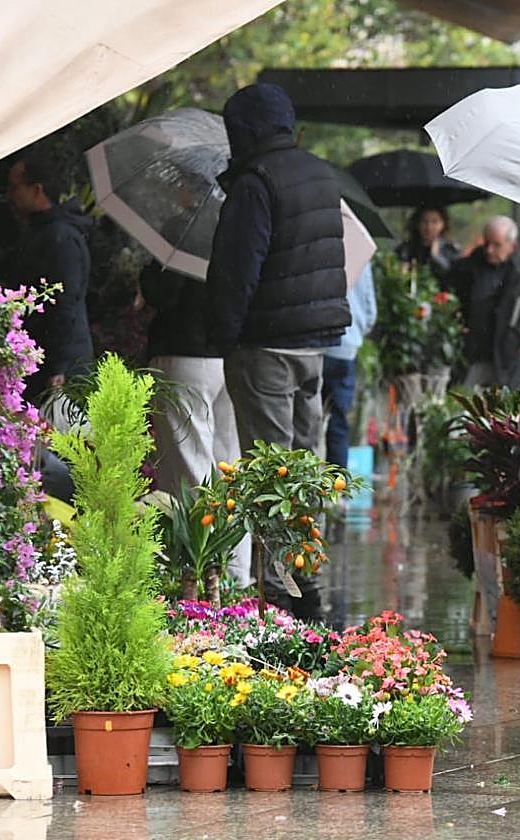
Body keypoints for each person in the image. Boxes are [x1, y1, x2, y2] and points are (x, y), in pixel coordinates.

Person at [207, 83, 350, 619]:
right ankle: (305, 573)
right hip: (314, 344)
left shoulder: (256, 182)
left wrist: (223, 334)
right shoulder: (321, 174)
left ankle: (280, 591)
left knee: (270, 470)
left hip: (265, 341)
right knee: (304, 462)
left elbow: (237, 269)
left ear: (244, 131)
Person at [140, 260, 251, 586]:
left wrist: (148, 272)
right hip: (232, 352)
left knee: (189, 471)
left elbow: (164, 292)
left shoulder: (183, 230)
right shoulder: (244, 222)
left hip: (184, 350)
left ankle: (194, 575)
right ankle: (235, 578)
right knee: (230, 467)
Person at [0, 147, 93, 403]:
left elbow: (64, 305)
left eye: (14, 187)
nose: (9, 195)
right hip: (45, 361)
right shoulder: (42, 231)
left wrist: (59, 368)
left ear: (36, 190)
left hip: (61, 369)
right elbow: (19, 270)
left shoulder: (60, 237)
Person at [446, 216, 520, 390]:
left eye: (497, 245)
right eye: (487, 243)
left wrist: (517, 335)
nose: (489, 250)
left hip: (505, 356)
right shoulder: (464, 269)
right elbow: (449, 300)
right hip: (470, 353)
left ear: (511, 245)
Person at [322, 262, 378, 468]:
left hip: (314, 346)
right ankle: (337, 490)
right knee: (338, 421)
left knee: (306, 421)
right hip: (346, 348)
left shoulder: (312, 239)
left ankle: (302, 488)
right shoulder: (363, 249)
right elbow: (370, 312)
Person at [396, 205, 461, 285]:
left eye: (435, 221)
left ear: (443, 224)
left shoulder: (451, 249)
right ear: (417, 223)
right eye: (424, 221)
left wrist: (436, 257)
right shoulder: (405, 249)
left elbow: (453, 276)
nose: (429, 227)